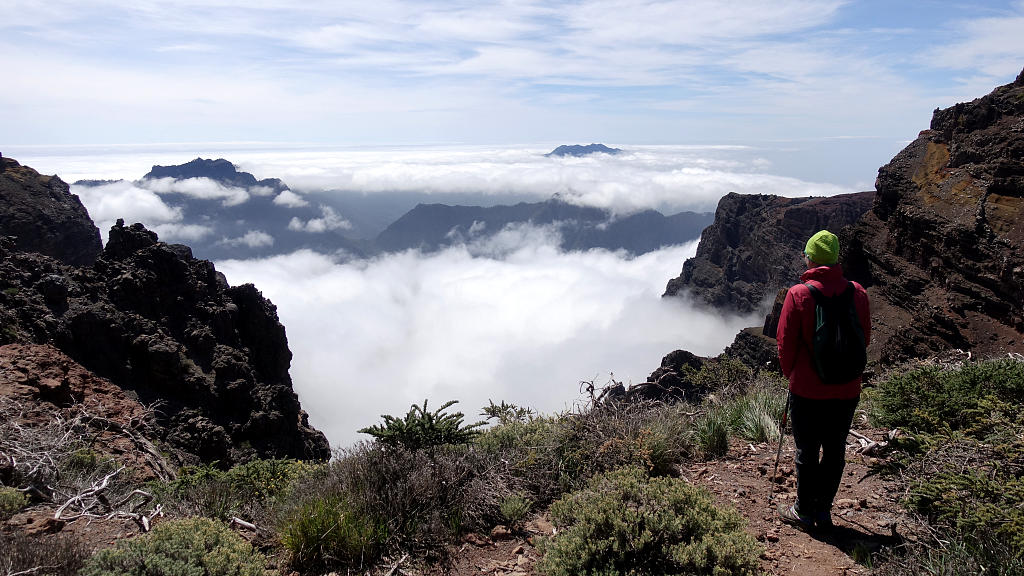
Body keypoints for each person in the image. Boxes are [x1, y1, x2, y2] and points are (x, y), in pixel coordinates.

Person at [776, 230, 871, 530]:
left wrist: (792, 375)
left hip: (807, 389)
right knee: (835, 450)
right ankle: (823, 510)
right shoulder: (858, 292)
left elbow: (785, 344)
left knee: (806, 450)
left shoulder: (799, 294)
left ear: (810, 258)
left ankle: (803, 510)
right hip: (847, 388)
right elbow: (863, 338)